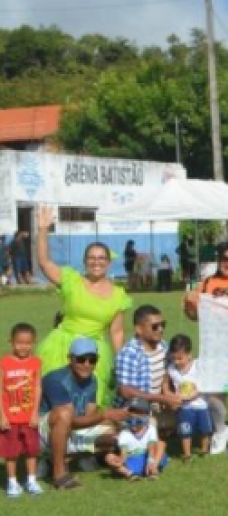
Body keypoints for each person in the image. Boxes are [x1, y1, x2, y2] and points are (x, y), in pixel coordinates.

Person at [34, 205, 132, 407]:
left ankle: (86, 437)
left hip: (94, 353)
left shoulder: (118, 295)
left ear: (108, 262)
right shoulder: (72, 280)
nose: (97, 262)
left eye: (101, 258)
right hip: (61, 347)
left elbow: (117, 334)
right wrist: (43, 230)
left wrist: (123, 367)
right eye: (92, 258)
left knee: (90, 403)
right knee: (56, 398)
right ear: (85, 261)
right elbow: (44, 263)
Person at [183, 240, 228, 456]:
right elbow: (193, 316)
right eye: (225, 259)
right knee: (214, 393)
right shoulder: (206, 284)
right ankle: (221, 431)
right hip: (214, 347)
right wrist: (190, 302)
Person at [39, 338, 127, 490]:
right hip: (44, 433)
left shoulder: (92, 380)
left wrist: (118, 419)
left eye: (92, 360)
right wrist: (105, 414)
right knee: (64, 414)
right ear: (70, 359)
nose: (87, 364)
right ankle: (59, 474)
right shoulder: (55, 379)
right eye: (81, 359)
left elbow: (89, 416)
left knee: (115, 432)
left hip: (71, 429)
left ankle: (62, 459)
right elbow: (69, 420)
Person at [114, 305, 182, 437]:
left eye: (163, 324)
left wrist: (169, 394)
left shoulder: (164, 346)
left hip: (160, 404)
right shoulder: (129, 353)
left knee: (195, 410)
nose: (161, 329)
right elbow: (126, 391)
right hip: (135, 409)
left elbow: (170, 375)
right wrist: (163, 399)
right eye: (155, 326)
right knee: (147, 435)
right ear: (139, 329)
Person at [1, 323, 42, 497]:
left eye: (27, 343)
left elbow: (38, 387)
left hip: (29, 417)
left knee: (31, 450)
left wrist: (35, 413)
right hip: (10, 418)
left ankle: (31, 480)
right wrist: (2, 416)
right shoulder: (4, 362)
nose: (23, 346)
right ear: (11, 342)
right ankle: (12, 482)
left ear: (33, 343)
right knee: (11, 453)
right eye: (19, 342)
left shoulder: (36, 362)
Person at [166, 334, 211, 461]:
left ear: (189, 355)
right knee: (185, 430)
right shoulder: (171, 369)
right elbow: (165, 383)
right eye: (173, 358)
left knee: (205, 430)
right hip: (184, 408)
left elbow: (204, 384)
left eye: (180, 359)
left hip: (201, 405)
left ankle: (204, 449)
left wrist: (193, 395)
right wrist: (170, 395)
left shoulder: (198, 366)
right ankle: (187, 454)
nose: (176, 362)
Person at [105, 397, 167, 481]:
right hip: (132, 460)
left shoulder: (150, 429)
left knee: (160, 444)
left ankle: (153, 470)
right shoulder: (124, 434)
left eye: (138, 412)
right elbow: (124, 454)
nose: (134, 415)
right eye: (131, 411)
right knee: (109, 457)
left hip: (147, 458)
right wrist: (119, 461)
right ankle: (130, 474)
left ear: (146, 415)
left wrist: (151, 460)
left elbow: (151, 447)